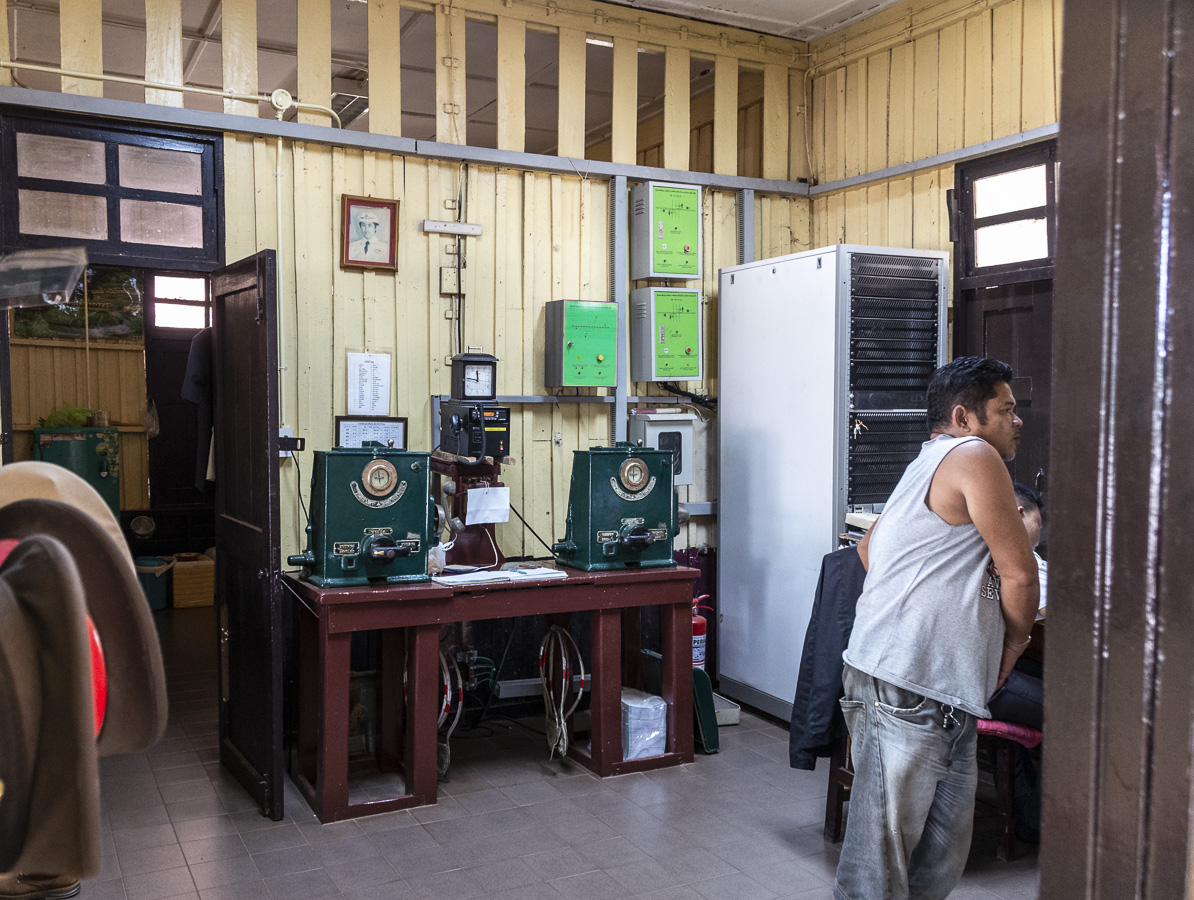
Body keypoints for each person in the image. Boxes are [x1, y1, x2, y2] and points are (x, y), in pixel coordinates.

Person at [834, 356, 1040, 900]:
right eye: (1007, 410)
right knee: (876, 873)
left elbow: (867, 549)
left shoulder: (925, 462)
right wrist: (1014, 642)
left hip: (941, 687)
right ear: (965, 417)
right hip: (903, 684)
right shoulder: (973, 454)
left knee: (937, 864)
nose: (1018, 421)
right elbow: (1020, 573)